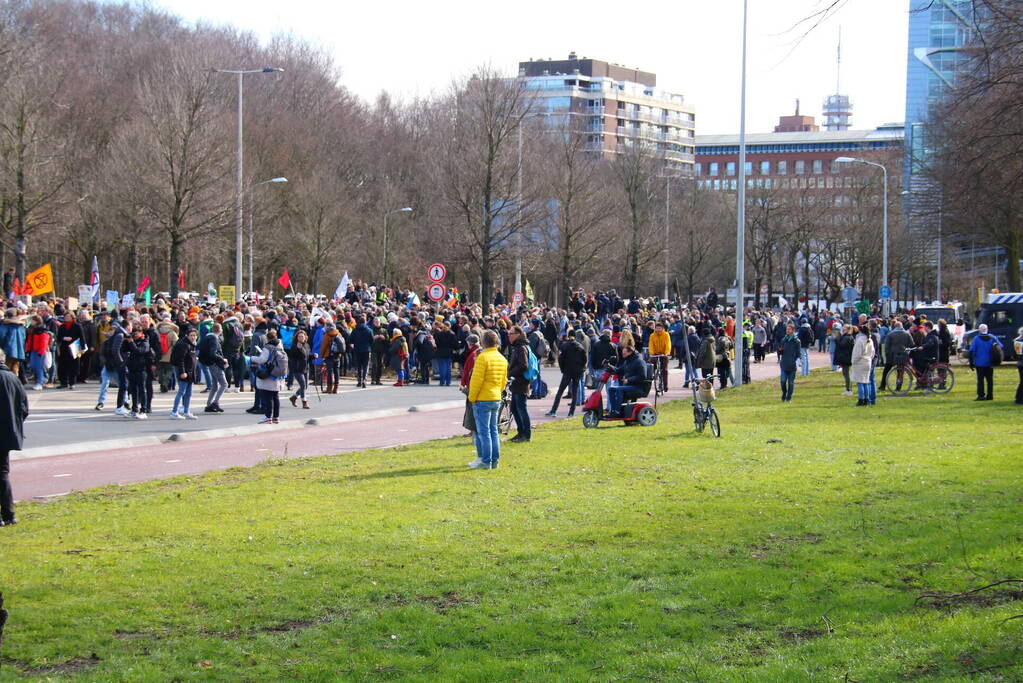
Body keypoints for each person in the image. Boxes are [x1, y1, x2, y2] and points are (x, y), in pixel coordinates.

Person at [467, 329, 507, 470]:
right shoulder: (502, 358)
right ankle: (494, 460)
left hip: (483, 398)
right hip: (496, 396)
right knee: (493, 430)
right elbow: (503, 381)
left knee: (484, 432)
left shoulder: (483, 358)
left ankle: (486, 461)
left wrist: (472, 397)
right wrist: (498, 392)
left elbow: (476, 381)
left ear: (483, 342)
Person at [0, 349, 29, 527]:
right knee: (3, 474)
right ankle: (8, 514)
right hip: (8, 432)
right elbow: (24, 408)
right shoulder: (13, 378)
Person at [545, 330, 586, 418]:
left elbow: (560, 359)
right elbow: (584, 359)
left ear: (568, 336)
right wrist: (581, 369)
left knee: (560, 391)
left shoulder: (564, 346)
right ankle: (571, 413)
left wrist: (563, 369)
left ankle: (553, 410)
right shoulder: (580, 346)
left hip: (567, 371)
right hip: (577, 371)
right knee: (574, 392)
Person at [250, 329, 286, 423]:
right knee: (275, 396)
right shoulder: (280, 346)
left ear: (267, 338)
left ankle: (268, 417)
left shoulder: (268, 347)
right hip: (277, 374)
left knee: (268, 396)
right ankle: (276, 417)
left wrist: (253, 358)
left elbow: (262, 359)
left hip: (269, 374)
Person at [506, 325, 532, 442]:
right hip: (516, 383)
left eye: (511, 333)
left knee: (521, 409)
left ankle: (526, 435)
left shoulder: (521, 348)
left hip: (521, 383)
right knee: (515, 409)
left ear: (518, 335)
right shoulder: (517, 347)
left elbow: (524, 365)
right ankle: (521, 432)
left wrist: (511, 373)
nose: (509, 336)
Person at [606, 343, 647, 416]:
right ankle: (613, 410)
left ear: (630, 352)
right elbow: (619, 370)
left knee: (619, 389)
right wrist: (609, 367)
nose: (622, 355)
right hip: (630, 385)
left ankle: (618, 411)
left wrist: (629, 380)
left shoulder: (639, 361)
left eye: (624, 353)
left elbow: (643, 376)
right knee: (611, 389)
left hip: (638, 386)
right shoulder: (628, 361)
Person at [170, 328, 199, 419]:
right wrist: (182, 372)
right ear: (187, 336)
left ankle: (186, 411)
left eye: (195, 335)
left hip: (190, 372)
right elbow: (181, 359)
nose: (193, 337)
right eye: (191, 335)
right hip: (185, 372)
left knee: (188, 393)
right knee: (181, 392)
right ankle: (174, 412)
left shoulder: (192, 345)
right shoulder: (184, 345)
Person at [968, 323, 1002, 401]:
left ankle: (981, 395)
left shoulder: (976, 338)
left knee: (980, 380)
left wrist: (971, 362)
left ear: (979, 330)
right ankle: (990, 395)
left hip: (979, 363)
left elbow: (972, 351)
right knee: (989, 380)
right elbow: (1000, 346)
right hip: (990, 362)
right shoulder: (992, 337)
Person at [198, 323, 227, 413]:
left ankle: (208, 404)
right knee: (224, 384)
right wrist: (222, 359)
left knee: (214, 385)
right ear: (220, 330)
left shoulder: (207, 337)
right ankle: (215, 403)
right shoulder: (214, 338)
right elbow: (213, 353)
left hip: (209, 363)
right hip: (215, 364)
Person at [880, 321, 912, 391]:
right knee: (900, 372)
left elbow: (887, 346)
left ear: (895, 326)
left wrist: (887, 354)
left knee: (886, 371)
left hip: (892, 355)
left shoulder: (890, 334)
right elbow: (911, 344)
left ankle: (883, 386)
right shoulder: (907, 334)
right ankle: (898, 387)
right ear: (902, 326)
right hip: (903, 355)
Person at [56, 312, 84, 389]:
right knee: (63, 366)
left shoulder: (77, 326)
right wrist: (64, 338)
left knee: (74, 366)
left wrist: (82, 348)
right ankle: (63, 382)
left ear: (72, 317)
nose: (67, 318)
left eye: (68, 316)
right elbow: (58, 337)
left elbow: (82, 337)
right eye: (65, 316)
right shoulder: (62, 326)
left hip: (75, 347)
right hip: (64, 348)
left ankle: (72, 383)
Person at [851, 325, 875, 406]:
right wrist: (869, 358)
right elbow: (873, 352)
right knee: (866, 381)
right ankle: (867, 399)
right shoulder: (870, 340)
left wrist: (853, 361)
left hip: (860, 362)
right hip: (868, 361)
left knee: (860, 382)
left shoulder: (860, 340)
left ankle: (861, 399)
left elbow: (857, 353)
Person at [287, 328, 311, 409]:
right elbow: (295, 356)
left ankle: (294, 397)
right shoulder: (294, 346)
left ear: (305, 337)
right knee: (303, 385)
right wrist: (299, 349)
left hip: (305, 368)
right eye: (299, 336)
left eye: (302, 336)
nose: (301, 338)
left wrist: (313, 356)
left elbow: (306, 357)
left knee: (305, 386)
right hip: (297, 369)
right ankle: (304, 402)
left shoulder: (306, 345)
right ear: (297, 338)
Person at [0, 309, 26, 378]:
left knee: (6, 367)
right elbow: (24, 337)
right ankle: (15, 382)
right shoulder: (21, 325)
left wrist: (1, 347)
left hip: (8, 348)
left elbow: (1, 336)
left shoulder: (5, 324)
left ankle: (7, 382)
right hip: (19, 350)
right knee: (15, 368)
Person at [349, 315, 374, 388]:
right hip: (366, 350)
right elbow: (372, 341)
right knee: (366, 366)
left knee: (359, 366)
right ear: (365, 322)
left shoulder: (355, 330)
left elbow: (350, 340)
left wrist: (354, 343)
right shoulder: (369, 330)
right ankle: (364, 380)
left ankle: (359, 380)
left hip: (357, 350)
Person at [647, 321, 672, 391]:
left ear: (662, 328)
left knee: (664, 370)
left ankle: (665, 385)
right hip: (655, 354)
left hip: (664, 354)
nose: (658, 329)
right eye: (657, 328)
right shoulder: (652, 335)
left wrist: (667, 352)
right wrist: (651, 353)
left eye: (659, 328)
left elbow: (668, 344)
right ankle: (653, 375)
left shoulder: (666, 335)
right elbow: (651, 344)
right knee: (652, 364)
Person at [778, 323, 800, 402]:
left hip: (792, 365)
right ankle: (784, 393)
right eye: (787, 329)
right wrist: (780, 350)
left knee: (791, 383)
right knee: (783, 381)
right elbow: (780, 352)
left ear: (793, 330)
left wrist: (796, 361)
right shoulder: (783, 340)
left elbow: (798, 353)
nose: (787, 331)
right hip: (784, 363)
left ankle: (789, 397)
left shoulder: (796, 341)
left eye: (789, 329)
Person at [834, 324, 855, 395]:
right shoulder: (846, 336)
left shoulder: (847, 337)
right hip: (845, 357)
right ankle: (848, 388)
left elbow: (841, 345)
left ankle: (848, 389)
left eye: (844, 328)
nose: (843, 329)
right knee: (845, 373)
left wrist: (837, 338)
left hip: (846, 357)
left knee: (846, 373)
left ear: (848, 330)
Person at [1014, 327, 1023, 405]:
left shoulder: (1016, 341)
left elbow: (1015, 353)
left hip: (1019, 362)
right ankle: (1019, 398)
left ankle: (1018, 397)